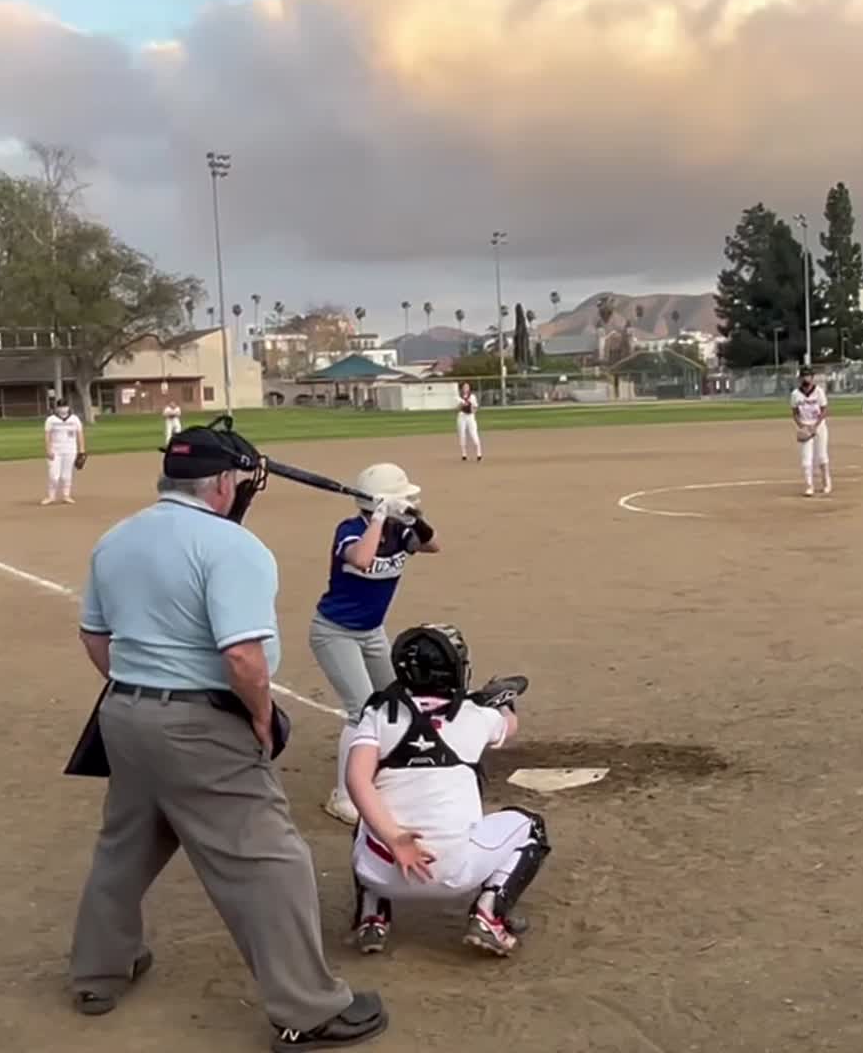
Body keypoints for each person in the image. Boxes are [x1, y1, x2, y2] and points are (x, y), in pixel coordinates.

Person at [69, 421, 389, 1050]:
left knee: (124, 848)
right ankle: (309, 1008)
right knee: (270, 860)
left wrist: (142, 684)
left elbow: (94, 638)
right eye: (242, 482)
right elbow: (242, 657)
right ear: (221, 483)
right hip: (201, 724)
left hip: (125, 715)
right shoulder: (231, 547)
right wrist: (263, 718)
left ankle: (97, 973)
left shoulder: (115, 539)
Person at [343, 624, 547, 958]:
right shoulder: (475, 716)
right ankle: (489, 914)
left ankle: (372, 916)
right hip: (454, 872)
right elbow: (508, 727)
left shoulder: (379, 714)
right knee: (531, 827)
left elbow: (356, 780)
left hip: (380, 870)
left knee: (369, 815)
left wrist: (395, 837)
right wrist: (502, 703)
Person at [308, 463, 439, 825]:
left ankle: (388, 771)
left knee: (395, 701)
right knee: (361, 710)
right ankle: (344, 795)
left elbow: (433, 545)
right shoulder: (350, 531)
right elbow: (363, 560)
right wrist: (380, 517)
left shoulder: (400, 532)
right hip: (334, 632)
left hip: (371, 632)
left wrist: (413, 519)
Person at [791, 367, 831, 497]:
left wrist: (816, 425)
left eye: (808, 376)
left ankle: (826, 483)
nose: (805, 378)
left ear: (812, 377)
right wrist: (802, 426)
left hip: (819, 426)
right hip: (805, 426)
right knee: (806, 458)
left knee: (821, 455)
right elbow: (795, 413)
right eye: (803, 376)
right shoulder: (795, 394)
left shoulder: (819, 392)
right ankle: (809, 486)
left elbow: (824, 410)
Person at [44, 399, 87, 504]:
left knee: (66, 475)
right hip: (55, 451)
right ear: (57, 408)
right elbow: (47, 435)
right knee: (54, 475)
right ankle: (51, 496)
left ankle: (66, 495)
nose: (63, 408)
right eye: (61, 406)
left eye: (65, 406)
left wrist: (82, 450)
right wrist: (48, 450)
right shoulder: (51, 420)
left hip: (70, 450)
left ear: (68, 406)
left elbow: (80, 433)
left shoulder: (75, 419)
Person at [456, 383, 482, 462]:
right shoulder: (459, 397)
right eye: (464, 387)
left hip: (470, 417)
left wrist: (472, 410)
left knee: (473, 434)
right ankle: (464, 454)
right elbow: (456, 408)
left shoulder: (472, 397)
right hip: (462, 416)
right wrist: (462, 405)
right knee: (462, 434)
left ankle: (479, 453)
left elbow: (475, 407)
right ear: (462, 389)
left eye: (467, 387)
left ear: (469, 388)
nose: (465, 388)